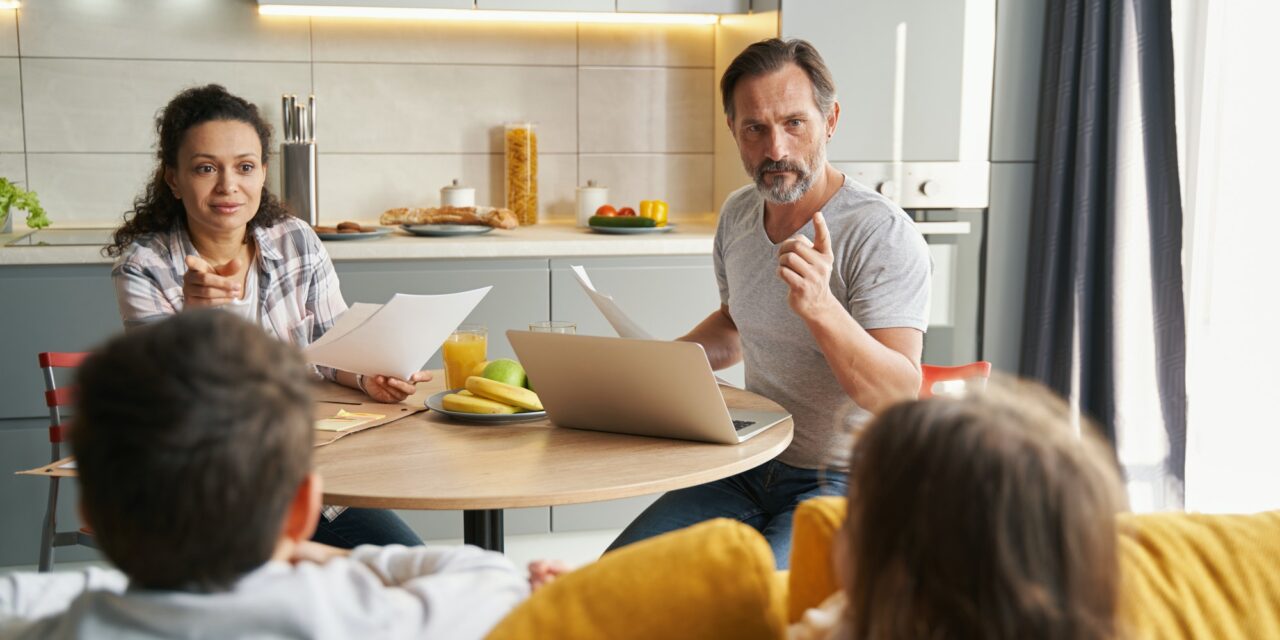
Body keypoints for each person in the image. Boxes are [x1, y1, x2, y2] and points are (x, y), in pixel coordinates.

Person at [0, 311, 528, 640]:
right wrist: (321, 553)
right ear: (301, 509)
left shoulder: (66, 622)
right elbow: (495, 578)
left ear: (89, 511)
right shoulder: (356, 613)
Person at [606, 38, 931, 567]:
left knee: (763, 611)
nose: (775, 149)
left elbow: (897, 394)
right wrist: (662, 365)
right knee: (612, 585)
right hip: (748, 461)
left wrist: (821, 307)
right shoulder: (739, 214)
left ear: (830, 121)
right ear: (733, 130)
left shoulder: (881, 233)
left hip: (847, 479)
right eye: (754, 127)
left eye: (794, 123)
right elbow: (737, 325)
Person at [789, 380, 1128, 640]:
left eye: (851, 519)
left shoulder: (866, 609)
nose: (835, 536)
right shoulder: (855, 611)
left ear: (903, 574)